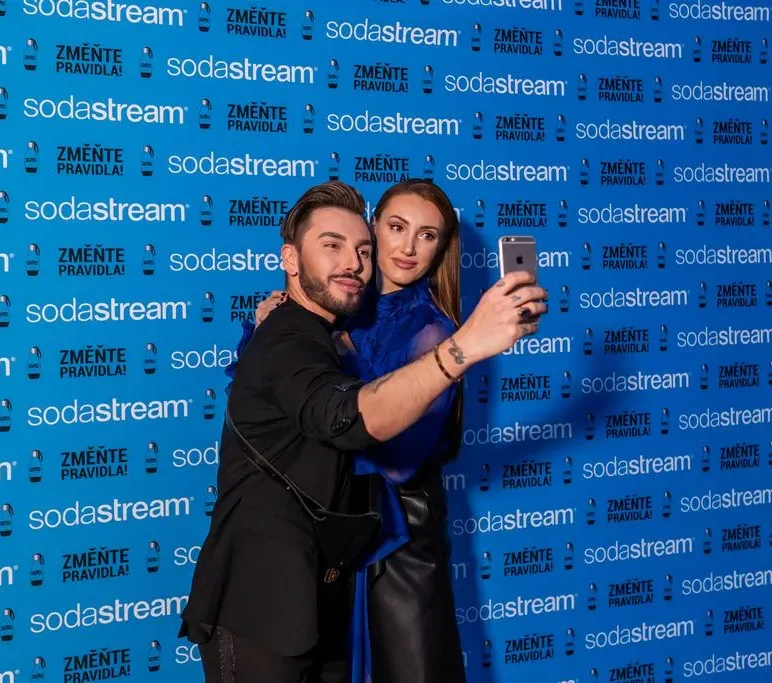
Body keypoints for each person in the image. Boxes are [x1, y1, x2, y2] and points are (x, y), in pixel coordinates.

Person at [178, 181, 546, 683]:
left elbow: (387, 451)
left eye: (427, 236)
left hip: (395, 535)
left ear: (441, 249)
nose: (407, 247)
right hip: (319, 546)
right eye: (395, 228)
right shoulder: (326, 312)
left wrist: (455, 348)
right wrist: (282, 328)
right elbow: (298, 397)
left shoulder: (427, 329)